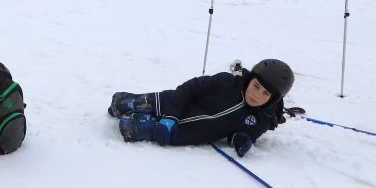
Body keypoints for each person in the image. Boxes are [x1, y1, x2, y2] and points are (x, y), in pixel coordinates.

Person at [107, 59, 294, 157]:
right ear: (249, 80)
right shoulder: (226, 82)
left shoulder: (261, 119)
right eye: (256, 86)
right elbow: (190, 88)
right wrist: (170, 116)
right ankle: (122, 105)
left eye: (265, 94)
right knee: (119, 104)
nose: (256, 95)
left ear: (272, 100)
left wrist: (241, 139)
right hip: (168, 102)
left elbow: (246, 133)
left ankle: (138, 122)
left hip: (183, 133)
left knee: (128, 127)